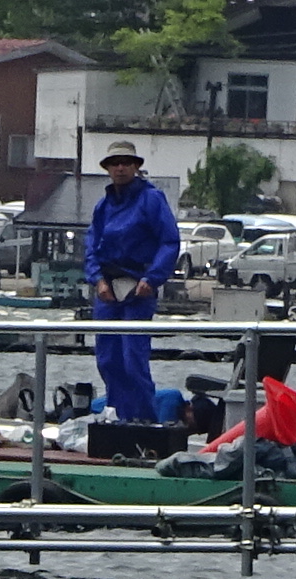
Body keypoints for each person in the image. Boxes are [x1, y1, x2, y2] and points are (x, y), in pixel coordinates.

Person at [83, 142, 179, 426]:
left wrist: (153, 278)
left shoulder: (152, 199)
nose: (120, 167)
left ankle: (144, 422)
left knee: (132, 359)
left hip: (139, 288)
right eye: (115, 162)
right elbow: (90, 247)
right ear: (108, 168)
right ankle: (117, 418)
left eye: (126, 162)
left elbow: (169, 240)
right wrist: (98, 280)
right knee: (108, 360)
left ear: (136, 166)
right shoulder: (103, 206)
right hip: (107, 290)